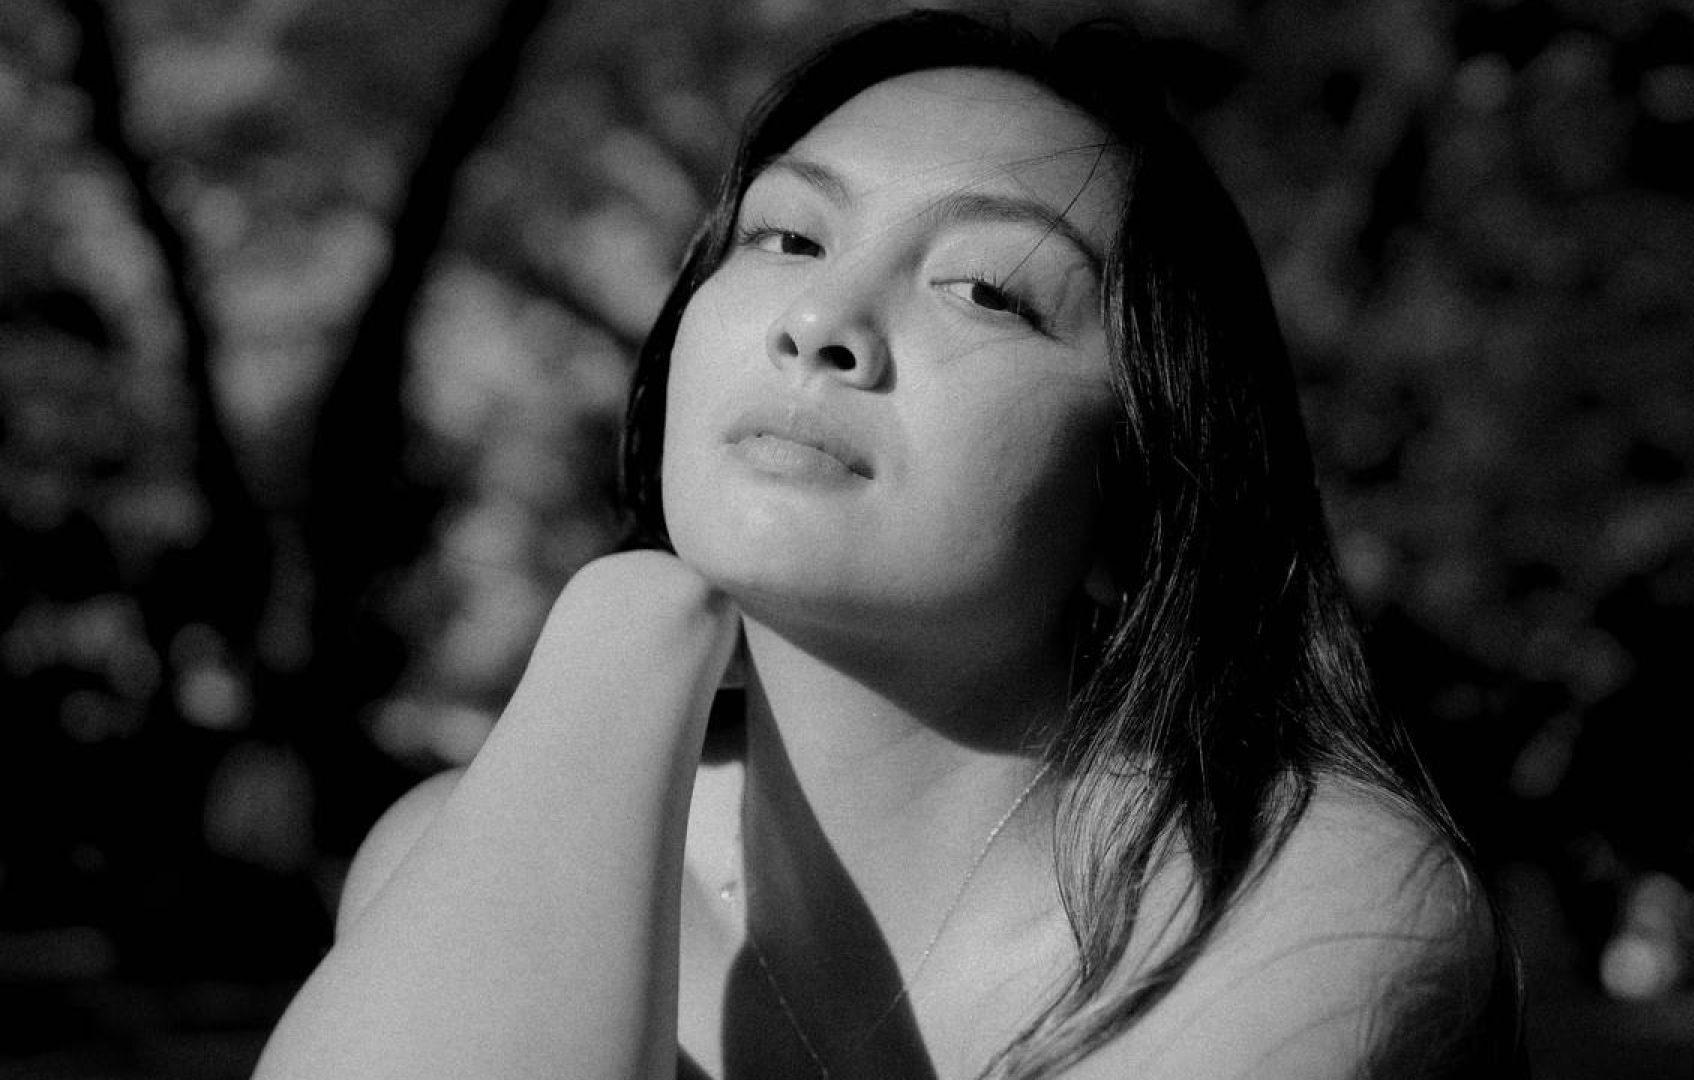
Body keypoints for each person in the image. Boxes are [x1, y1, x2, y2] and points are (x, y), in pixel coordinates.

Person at [254, 10, 1525, 1079]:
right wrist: (625, 624)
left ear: (1140, 508)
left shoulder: (1296, 895)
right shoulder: (455, 847)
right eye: (787, 236)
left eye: (987, 289)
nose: (823, 318)